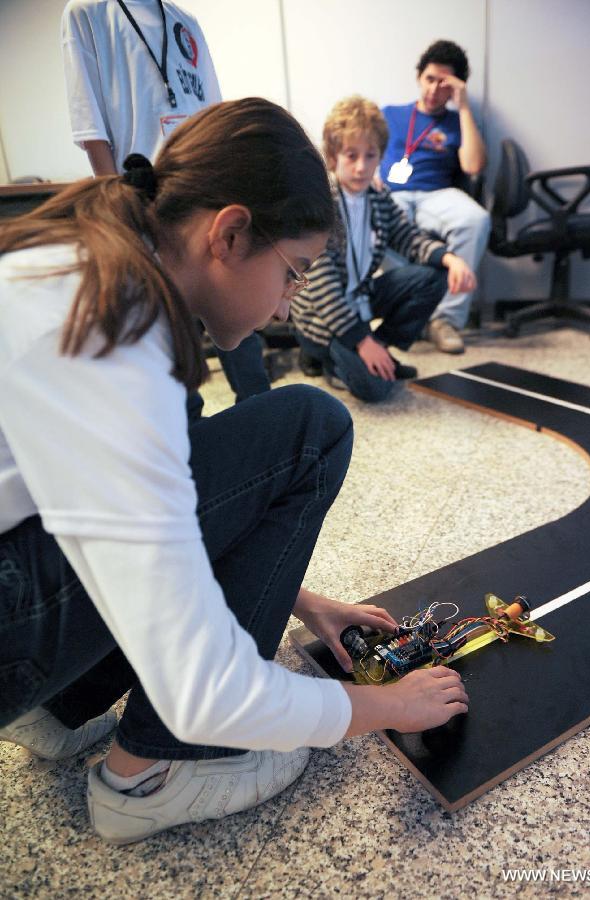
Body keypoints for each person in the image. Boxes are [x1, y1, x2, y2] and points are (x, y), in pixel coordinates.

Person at [0, 98, 469, 844]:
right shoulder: (117, 340)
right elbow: (205, 690)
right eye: (293, 272)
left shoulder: (100, 266)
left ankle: (58, 704)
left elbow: (155, 511)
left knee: (279, 430)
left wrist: (302, 602)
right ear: (229, 233)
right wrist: (385, 708)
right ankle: (150, 774)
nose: (288, 301)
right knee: (312, 428)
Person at [61, 0, 269, 403]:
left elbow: (215, 117)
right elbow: (91, 126)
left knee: (232, 308)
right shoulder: (86, 13)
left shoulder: (184, 22)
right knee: (167, 333)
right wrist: (118, 211)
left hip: (203, 191)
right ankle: (184, 424)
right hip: (140, 199)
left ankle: (258, 406)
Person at [292, 96, 476, 404]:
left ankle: (379, 352)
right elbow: (323, 287)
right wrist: (360, 341)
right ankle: (328, 356)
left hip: (358, 300)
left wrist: (450, 257)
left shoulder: (377, 196)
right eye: (351, 155)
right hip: (325, 318)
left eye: (370, 155)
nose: (361, 167)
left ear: (380, 158)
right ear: (333, 155)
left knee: (435, 275)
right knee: (375, 391)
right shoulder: (322, 202)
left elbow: (407, 236)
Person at [380, 40, 490, 354]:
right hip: (392, 193)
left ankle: (446, 320)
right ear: (418, 77)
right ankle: (410, 310)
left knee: (475, 219)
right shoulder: (389, 114)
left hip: (435, 194)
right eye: (429, 79)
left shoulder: (459, 122)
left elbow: (473, 165)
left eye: (444, 84)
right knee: (373, 220)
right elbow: (362, 147)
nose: (433, 90)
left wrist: (464, 105)